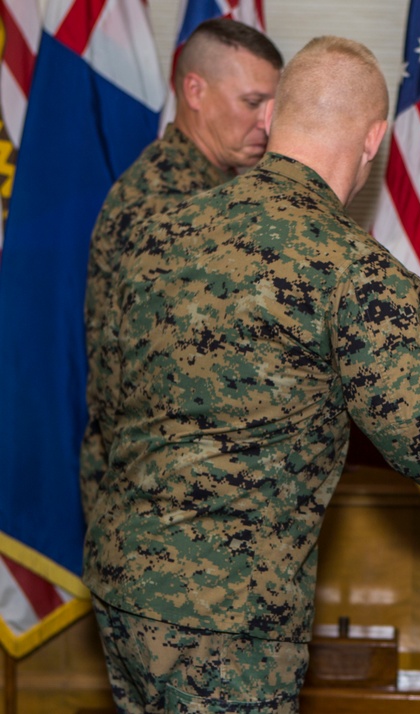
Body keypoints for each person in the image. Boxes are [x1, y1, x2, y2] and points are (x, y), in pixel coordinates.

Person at [83, 35, 420, 713]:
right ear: (374, 139)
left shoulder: (158, 233)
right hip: (227, 620)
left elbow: (107, 405)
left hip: (120, 586)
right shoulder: (354, 270)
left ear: (279, 116)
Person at [80, 18, 284, 520]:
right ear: (195, 90)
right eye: (253, 103)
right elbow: (159, 390)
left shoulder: (211, 194)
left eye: (273, 108)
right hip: (160, 516)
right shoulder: (164, 206)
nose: (267, 124)